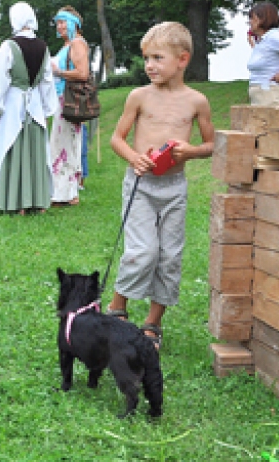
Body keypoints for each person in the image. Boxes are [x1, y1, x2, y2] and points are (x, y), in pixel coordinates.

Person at [106, 21, 215, 350]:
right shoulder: (139, 96)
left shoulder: (197, 101)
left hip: (174, 188)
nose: (148, 65)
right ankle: (116, 309)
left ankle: (153, 324)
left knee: (169, 256)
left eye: (157, 58)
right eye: (146, 58)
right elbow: (116, 138)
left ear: (182, 59)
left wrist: (192, 151)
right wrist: (133, 157)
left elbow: (211, 144)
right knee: (142, 250)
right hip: (141, 186)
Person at [0, 2, 58, 215]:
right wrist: (45, 109)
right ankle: (37, 200)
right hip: (34, 103)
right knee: (35, 150)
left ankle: (17, 202)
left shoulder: (9, 46)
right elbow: (47, 81)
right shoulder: (43, 47)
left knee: (14, 147)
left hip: (14, 103)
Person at [48, 6, 89, 207]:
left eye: (63, 22)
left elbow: (82, 73)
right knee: (64, 144)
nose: (60, 26)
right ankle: (67, 193)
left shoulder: (77, 44)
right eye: (58, 22)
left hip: (69, 100)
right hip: (61, 98)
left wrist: (58, 73)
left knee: (62, 145)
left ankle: (62, 194)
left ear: (74, 23)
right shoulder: (69, 45)